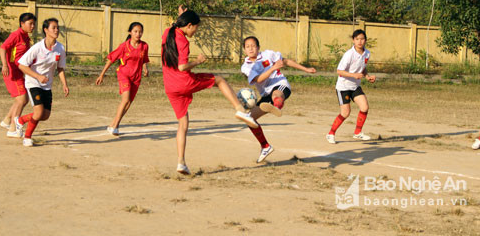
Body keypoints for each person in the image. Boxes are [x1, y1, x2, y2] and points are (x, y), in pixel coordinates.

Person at [162, 9, 256, 175]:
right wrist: (198, 61)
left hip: (170, 86)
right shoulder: (183, 41)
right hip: (183, 82)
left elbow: (175, 25)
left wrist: (182, 15)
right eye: (195, 28)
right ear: (189, 25)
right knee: (219, 79)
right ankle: (240, 110)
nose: (196, 31)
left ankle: (181, 163)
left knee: (183, 124)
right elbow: (182, 66)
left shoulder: (167, 33)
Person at [241, 36, 316, 163]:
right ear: (244, 50)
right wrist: (272, 68)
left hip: (280, 84)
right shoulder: (246, 66)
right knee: (249, 119)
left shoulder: (268, 54)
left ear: (258, 47)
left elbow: (286, 61)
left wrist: (306, 69)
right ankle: (265, 146)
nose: (251, 48)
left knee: (276, 95)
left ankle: (277, 106)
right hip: (265, 93)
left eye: (253, 46)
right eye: (247, 46)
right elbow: (258, 79)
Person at [15, 18, 69, 147]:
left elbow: (60, 68)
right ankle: (27, 137)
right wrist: (38, 76)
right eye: (53, 28)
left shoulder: (60, 48)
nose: (56, 30)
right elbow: (22, 65)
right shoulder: (37, 47)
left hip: (47, 85)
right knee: (38, 112)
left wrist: (64, 84)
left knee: (45, 115)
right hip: (33, 82)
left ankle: (21, 120)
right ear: (46, 30)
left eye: (57, 28)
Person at [96, 22, 149, 136]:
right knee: (125, 99)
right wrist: (102, 74)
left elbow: (144, 59)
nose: (138, 34)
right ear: (130, 32)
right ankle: (115, 126)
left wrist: (145, 68)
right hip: (124, 74)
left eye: (140, 32)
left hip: (136, 77)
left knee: (129, 102)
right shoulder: (124, 46)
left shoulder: (144, 46)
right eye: (135, 31)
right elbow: (111, 59)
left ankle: (113, 124)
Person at [326, 29, 376, 144]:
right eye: (357, 39)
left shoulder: (367, 53)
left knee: (364, 107)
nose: (360, 41)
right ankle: (331, 133)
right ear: (353, 40)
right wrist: (353, 75)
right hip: (343, 87)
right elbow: (339, 71)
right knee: (345, 113)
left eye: (362, 39)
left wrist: (367, 76)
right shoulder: (349, 54)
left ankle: (358, 133)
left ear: (365, 40)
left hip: (355, 86)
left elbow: (362, 67)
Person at [0, 12, 36, 138]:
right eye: (30, 23)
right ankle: (13, 129)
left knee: (20, 99)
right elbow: (3, 48)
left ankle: (7, 121)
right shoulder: (16, 35)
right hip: (12, 72)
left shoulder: (26, 37)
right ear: (22, 23)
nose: (33, 26)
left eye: (33, 24)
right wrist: (4, 65)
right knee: (22, 99)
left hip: (19, 72)